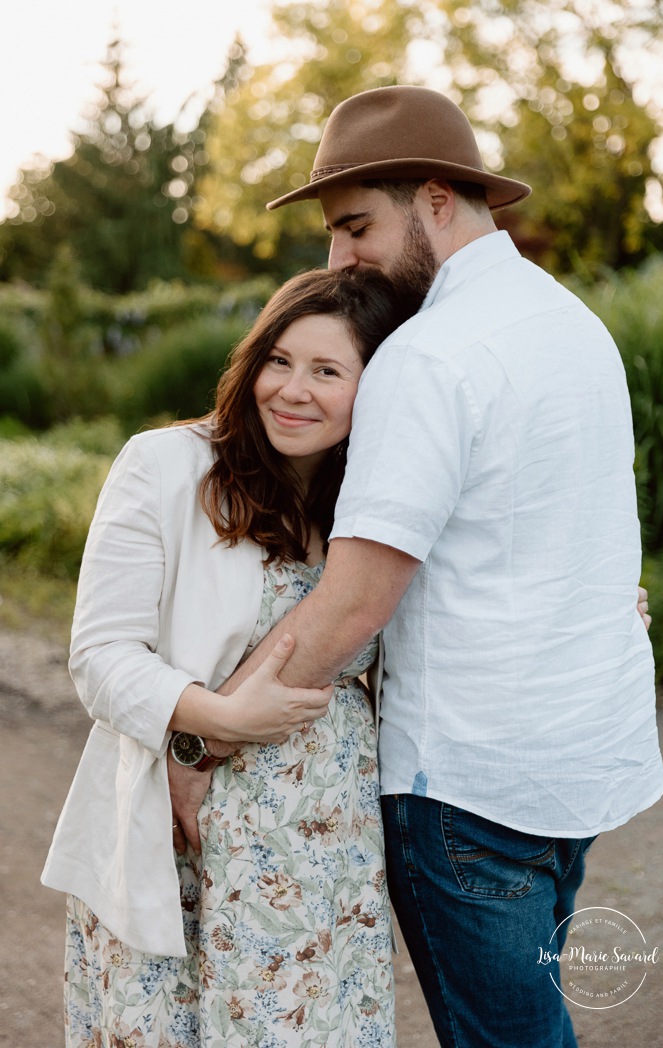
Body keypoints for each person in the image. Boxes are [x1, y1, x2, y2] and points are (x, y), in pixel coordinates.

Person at [171, 86, 663, 1048]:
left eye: (355, 226)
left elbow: (352, 603)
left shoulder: (429, 356)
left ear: (436, 199)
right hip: (578, 763)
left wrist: (203, 743)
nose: (336, 259)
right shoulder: (575, 326)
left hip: (468, 787)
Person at [42, 268, 415, 1048]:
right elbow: (100, 655)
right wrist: (214, 722)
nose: (292, 390)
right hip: (177, 832)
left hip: (323, 841)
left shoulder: (378, 501)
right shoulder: (166, 466)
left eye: (326, 371)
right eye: (278, 360)